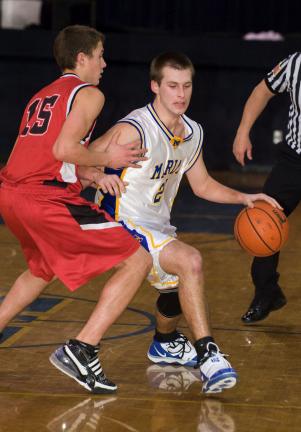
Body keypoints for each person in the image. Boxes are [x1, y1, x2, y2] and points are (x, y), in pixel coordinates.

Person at [89, 52, 281, 393]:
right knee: (190, 261)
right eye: (173, 86)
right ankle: (209, 354)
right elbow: (81, 159)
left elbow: (203, 185)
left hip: (156, 224)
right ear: (155, 87)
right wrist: (95, 176)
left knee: (175, 291)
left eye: (187, 86)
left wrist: (245, 198)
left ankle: (164, 341)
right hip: (120, 220)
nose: (181, 94)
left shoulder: (192, 132)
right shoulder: (134, 129)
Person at [0, 24, 152, 394]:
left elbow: (45, 155)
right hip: (42, 199)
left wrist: (92, 174)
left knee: (41, 269)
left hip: (11, 195)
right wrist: (107, 157)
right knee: (137, 260)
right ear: (81, 58)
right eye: (99, 56)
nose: (104, 64)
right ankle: (82, 348)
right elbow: (63, 150)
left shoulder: (42, 95)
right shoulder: (89, 95)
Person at [232, 53, 301, 323]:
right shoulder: (296, 64)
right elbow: (262, 91)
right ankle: (267, 292)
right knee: (263, 219)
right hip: (295, 159)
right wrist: (242, 131)